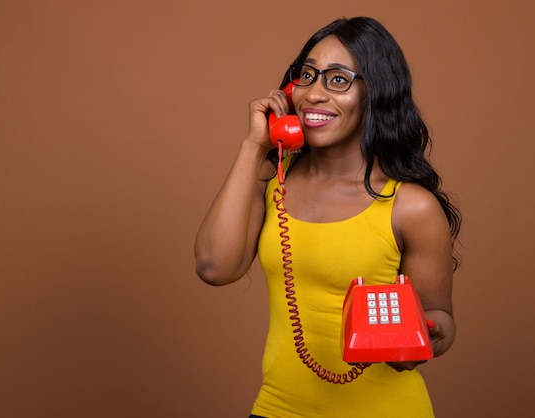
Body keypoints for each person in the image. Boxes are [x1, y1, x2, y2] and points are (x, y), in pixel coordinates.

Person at [194, 16, 461, 418]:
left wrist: (427, 337)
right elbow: (214, 267)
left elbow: (440, 315)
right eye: (306, 75)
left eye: (338, 80)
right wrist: (255, 145)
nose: (314, 94)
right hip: (278, 409)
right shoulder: (272, 183)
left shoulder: (411, 206)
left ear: (375, 94)